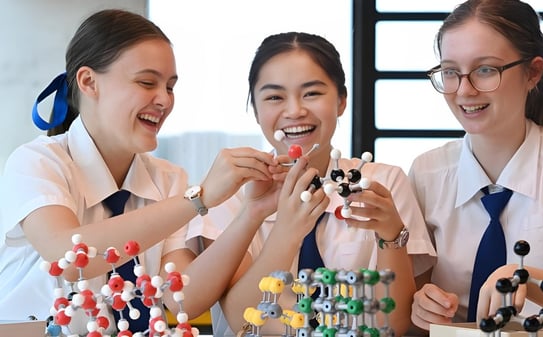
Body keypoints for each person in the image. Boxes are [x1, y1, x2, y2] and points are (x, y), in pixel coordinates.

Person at [0, 9, 280, 335]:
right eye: (147, 82)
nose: (163, 100)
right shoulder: (37, 162)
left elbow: (183, 300)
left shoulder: (169, 179)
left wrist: (252, 213)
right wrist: (199, 198)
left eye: (171, 87)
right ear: (89, 82)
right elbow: (71, 257)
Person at [185, 31, 436, 336]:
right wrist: (288, 231)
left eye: (312, 93)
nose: (294, 111)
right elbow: (243, 322)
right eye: (275, 97)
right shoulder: (231, 194)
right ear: (255, 109)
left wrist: (391, 236)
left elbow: (394, 326)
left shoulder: (381, 183)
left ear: (341, 101)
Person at [409, 0, 543, 333]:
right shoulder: (427, 173)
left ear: (533, 72)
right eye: (451, 72)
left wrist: (528, 279)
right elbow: (417, 311)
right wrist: (422, 307)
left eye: (486, 70)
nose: (465, 91)